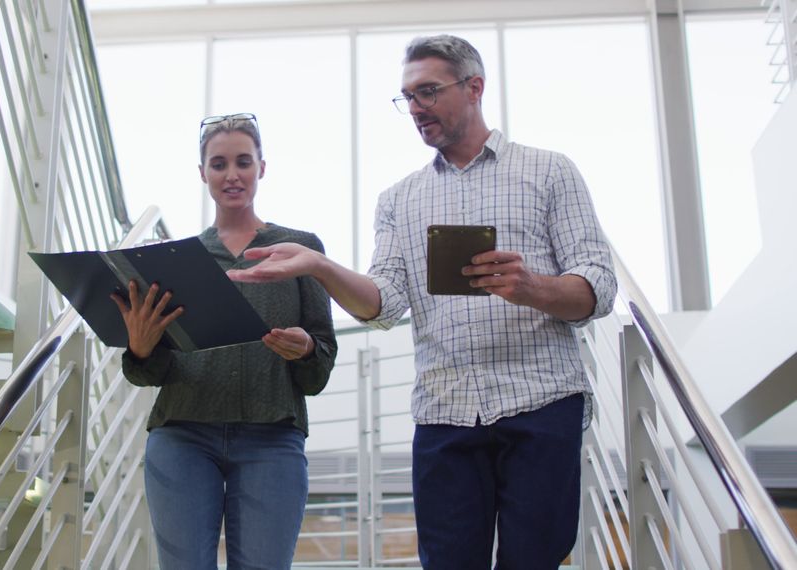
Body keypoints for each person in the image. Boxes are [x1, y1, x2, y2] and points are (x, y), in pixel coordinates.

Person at [228, 36, 616, 569]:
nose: (415, 108)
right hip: (444, 412)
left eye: (428, 92)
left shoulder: (550, 172)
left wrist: (534, 289)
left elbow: (599, 285)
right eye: (406, 97)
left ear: (474, 87)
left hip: (542, 404)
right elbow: (384, 304)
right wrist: (319, 266)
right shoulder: (398, 200)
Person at [110, 112, 338, 570]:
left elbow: (319, 367)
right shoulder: (177, 259)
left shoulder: (299, 248)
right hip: (182, 437)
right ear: (202, 174)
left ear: (261, 168)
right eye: (218, 164)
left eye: (243, 162)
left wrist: (307, 349)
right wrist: (139, 348)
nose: (232, 175)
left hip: (272, 439)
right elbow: (150, 373)